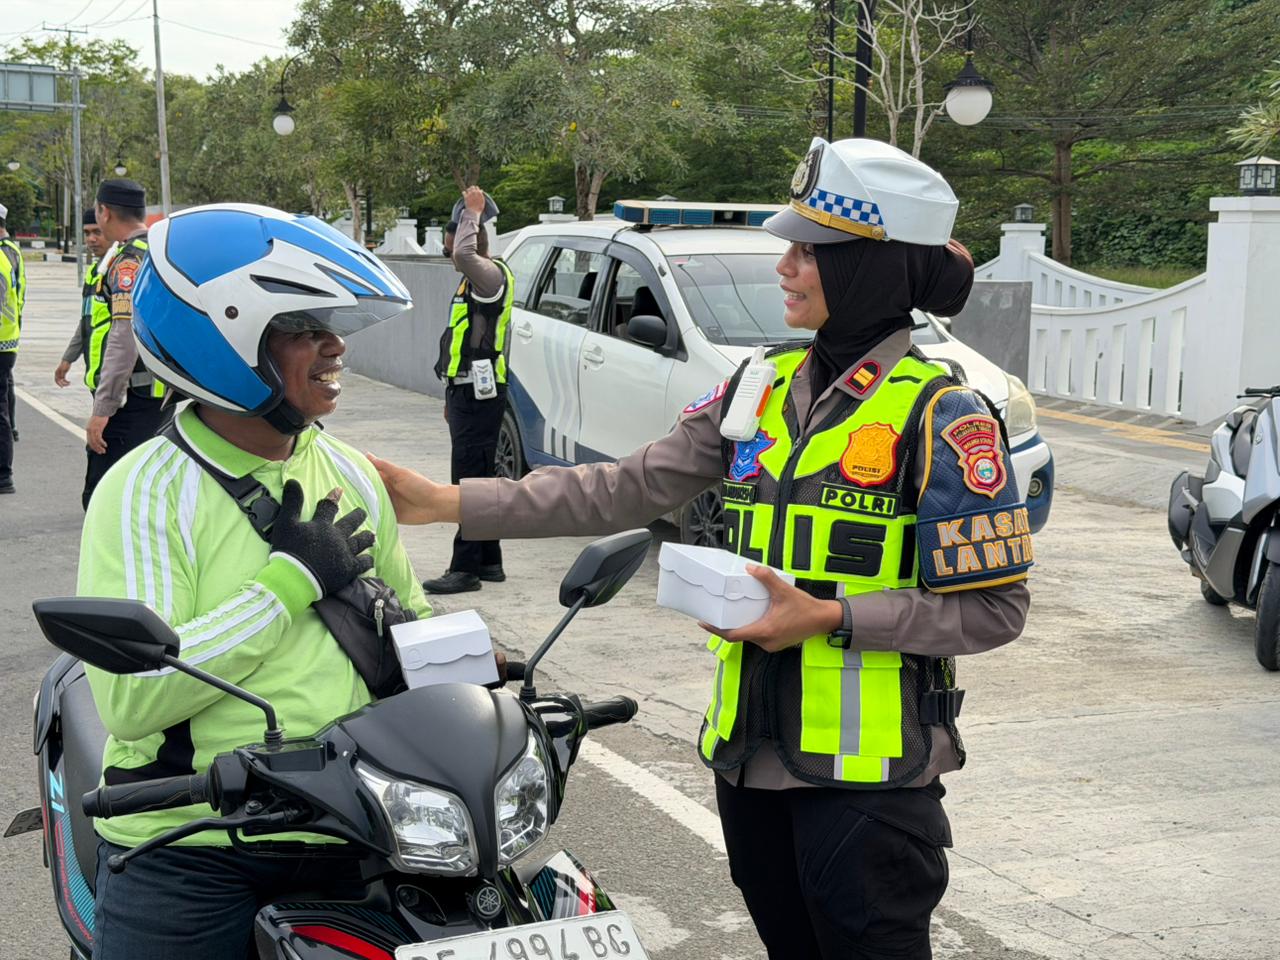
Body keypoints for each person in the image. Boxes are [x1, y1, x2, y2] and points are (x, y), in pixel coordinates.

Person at [370, 138, 1033, 959]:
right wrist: (450, 501)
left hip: (869, 789)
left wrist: (829, 616)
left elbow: (996, 609)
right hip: (749, 765)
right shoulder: (760, 385)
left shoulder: (944, 413)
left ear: (873, 266)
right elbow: (624, 486)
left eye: (810, 251)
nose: (785, 266)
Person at [78, 203, 431, 960]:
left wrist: (472, 669)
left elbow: (411, 622)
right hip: (194, 842)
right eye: (304, 325)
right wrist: (288, 583)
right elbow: (134, 698)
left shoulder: (347, 472)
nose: (335, 344)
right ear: (224, 339)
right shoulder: (145, 491)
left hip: (354, 820)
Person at [421, 185, 513, 594]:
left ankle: (465, 569)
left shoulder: (490, 276)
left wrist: (472, 211)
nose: (451, 257)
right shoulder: (468, 284)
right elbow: (456, 342)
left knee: (469, 484)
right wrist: (448, 397)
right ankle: (489, 560)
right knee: (480, 478)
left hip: (481, 397)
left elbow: (464, 253)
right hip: (466, 394)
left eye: (453, 247)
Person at [82, 179, 168, 508]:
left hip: (132, 402)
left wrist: (103, 408)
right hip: (162, 396)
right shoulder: (160, 251)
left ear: (104, 212)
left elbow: (123, 337)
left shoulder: (128, 261)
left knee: (103, 499)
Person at [54, 210, 116, 507]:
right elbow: (87, 321)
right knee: (98, 448)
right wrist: (69, 357)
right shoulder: (95, 273)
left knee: (102, 450)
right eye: (87, 233)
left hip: (117, 384)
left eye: (96, 232)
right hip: (98, 379)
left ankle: (97, 507)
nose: (91, 239)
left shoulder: (120, 270)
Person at [0, 200, 25, 493]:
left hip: (3, 337)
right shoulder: (14, 251)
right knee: (5, 393)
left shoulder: (3, 255)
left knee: (0, 408)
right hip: (10, 334)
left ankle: (4, 474)